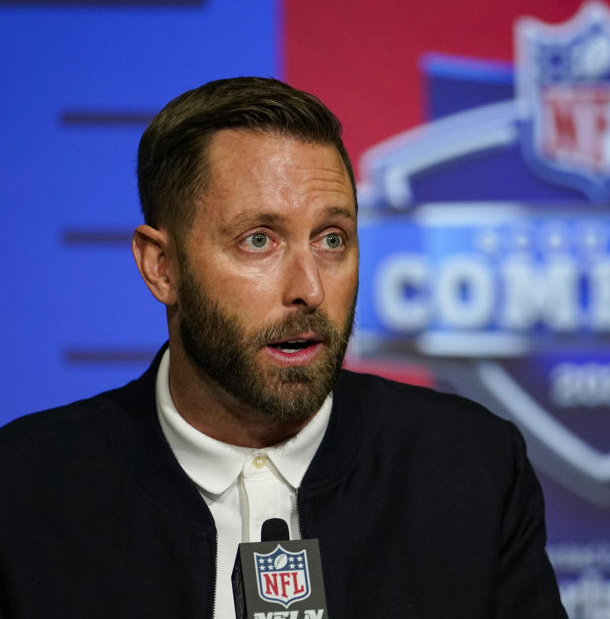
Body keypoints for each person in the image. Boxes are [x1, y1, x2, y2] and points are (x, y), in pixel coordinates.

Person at [0, 77, 567, 618]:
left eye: (332, 239)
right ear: (161, 267)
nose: (310, 289)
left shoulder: (470, 467)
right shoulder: (25, 488)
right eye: (258, 240)